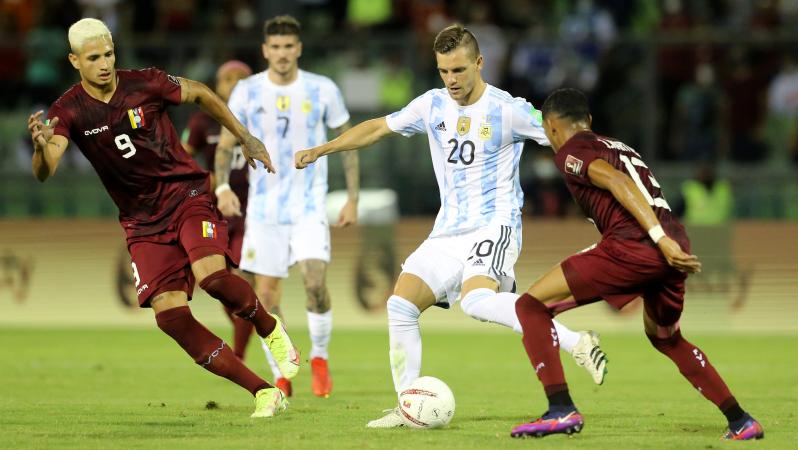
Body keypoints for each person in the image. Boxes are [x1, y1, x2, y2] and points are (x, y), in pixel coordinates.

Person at [295, 24, 608, 428]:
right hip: (448, 230)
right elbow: (376, 128)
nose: (451, 80)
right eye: (444, 71)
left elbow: (569, 140)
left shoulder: (509, 109)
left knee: (476, 302)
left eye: (459, 70)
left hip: (494, 225)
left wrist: (609, 182)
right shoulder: (431, 105)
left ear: (479, 63)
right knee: (400, 306)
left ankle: (576, 342)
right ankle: (407, 406)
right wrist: (324, 149)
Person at [27, 18, 300, 418]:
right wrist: (39, 148)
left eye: (109, 54)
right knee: (171, 317)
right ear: (74, 60)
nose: (104, 64)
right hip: (141, 222)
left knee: (211, 276)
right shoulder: (68, 109)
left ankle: (269, 327)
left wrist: (244, 136)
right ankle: (262, 391)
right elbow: (47, 166)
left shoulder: (146, 82)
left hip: (186, 194)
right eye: (93, 58)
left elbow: (201, 93)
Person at [508, 88, 763, 440]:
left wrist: (657, 238)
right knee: (666, 338)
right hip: (672, 243)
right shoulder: (617, 145)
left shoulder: (571, 152)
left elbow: (617, 181)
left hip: (638, 245)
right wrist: (665, 239)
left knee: (531, 306)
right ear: (589, 121)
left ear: (551, 127)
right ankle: (741, 421)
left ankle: (560, 409)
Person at [215, 15, 359, 398]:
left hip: (310, 205)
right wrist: (222, 186)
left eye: (288, 46)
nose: (281, 54)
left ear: (299, 49)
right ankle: (282, 372)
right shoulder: (246, 91)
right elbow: (226, 145)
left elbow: (347, 143)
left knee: (315, 282)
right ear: (265, 51)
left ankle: (320, 358)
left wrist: (352, 198)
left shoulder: (322, 88)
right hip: (265, 211)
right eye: (275, 47)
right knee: (267, 297)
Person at [182, 60, 255, 360]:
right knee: (217, 281)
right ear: (216, 85)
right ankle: (249, 325)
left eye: (242, 78)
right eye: (228, 78)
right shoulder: (201, 123)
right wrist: (205, 184)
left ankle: (238, 356)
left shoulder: (262, 119)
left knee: (244, 278)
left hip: (254, 213)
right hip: (216, 213)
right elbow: (183, 159)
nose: (235, 84)